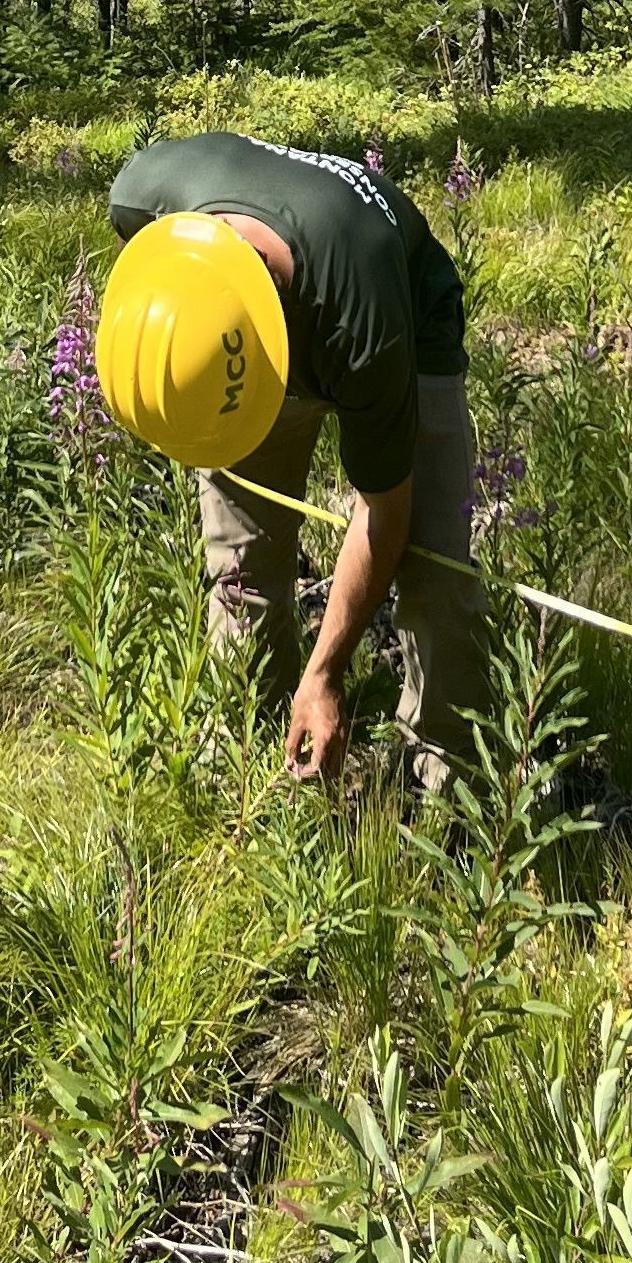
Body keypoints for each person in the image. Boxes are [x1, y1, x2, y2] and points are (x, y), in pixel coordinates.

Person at [93, 130, 485, 782]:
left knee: (434, 566)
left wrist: (326, 672)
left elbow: (383, 517)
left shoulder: (360, 321)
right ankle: (254, 762)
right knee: (240, 565)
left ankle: (446, 784)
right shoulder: (143, 194)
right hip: (242, 324)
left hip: (407, 318)